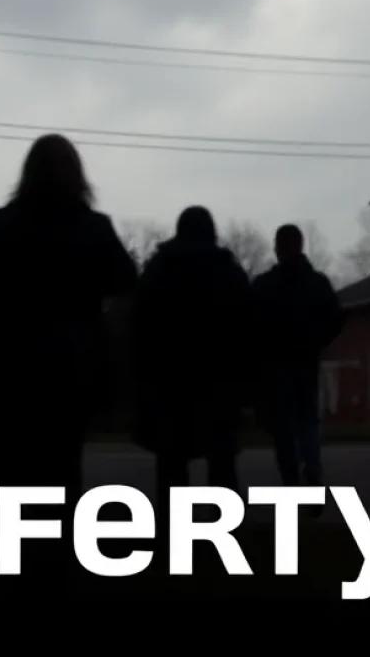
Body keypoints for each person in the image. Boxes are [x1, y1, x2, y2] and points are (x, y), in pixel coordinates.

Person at [0, 134, 138, 579]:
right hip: (74, 362)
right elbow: (124, 279)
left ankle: (19, 554)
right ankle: (60, 555)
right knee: (64, 459)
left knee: (19, 458)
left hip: (15, 361)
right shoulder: (93, 227)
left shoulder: (3, 223)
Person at [130, 205, 251, 532]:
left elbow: (138, 324)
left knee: (171, 461)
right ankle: (226, 532)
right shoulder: (227, 270)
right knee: (222, 460)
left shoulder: (160, 268)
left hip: (170, 380)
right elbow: (247, 326)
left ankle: (172, 531)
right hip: (218, 380)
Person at [252, 224, 343, 494]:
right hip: (305, 361)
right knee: (307, 420)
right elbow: (336, 320)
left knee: (282, 429)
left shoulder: (264, 286)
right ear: (301, 246)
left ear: (277, 248)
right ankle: (312, 467)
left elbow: (250, 324)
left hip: (275, 366)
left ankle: (291, 482)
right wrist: (316, 342)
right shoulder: (317, 283)